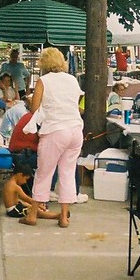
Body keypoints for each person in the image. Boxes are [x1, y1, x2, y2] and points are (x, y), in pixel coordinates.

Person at [19, 47, 83, 228]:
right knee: (68, 173)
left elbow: (34, 109)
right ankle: (64, 216)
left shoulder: (43, 81)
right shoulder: (72, 79)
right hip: (75, 129)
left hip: (55, 130)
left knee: (44, 173)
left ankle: (32, 214)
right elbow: (74, 103)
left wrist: (33, 100)